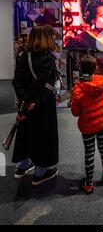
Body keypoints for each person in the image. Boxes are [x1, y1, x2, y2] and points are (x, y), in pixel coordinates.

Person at [12, 25, 59, 186]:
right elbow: (41, 86)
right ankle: (40, 173)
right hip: (42, 104)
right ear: (46, 38)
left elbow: (17, 81)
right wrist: (32, 102)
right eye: (51, 36)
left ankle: (22, 167)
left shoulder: (25, 55)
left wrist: (25, 102)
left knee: (25, 134)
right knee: (43, 136)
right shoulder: (48, 58)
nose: (54, 38)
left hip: (26, 104)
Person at [71, 55, 103, 194]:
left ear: (80, 69)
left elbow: (75, 112)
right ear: (96, 68)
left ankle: (89, 184)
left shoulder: (78, 89)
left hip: (88, 126)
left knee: (89, 153)